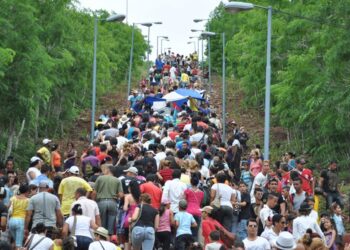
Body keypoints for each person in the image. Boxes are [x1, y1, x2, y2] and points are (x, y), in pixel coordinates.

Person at [93, 164, 123, 236]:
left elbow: (94, 192)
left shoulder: (100, 178)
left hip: (101, 202)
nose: (103, 171)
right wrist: (115, 195)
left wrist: (93, 201)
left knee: (102, 225)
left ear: (108, 170)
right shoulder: (117, 180)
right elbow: (121, 195)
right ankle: (109, 242)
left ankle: (102, 242)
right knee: (110, 227)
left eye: (105, 169)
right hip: (112, 202)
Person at [8, 183, 29, 249]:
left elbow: (8, 209)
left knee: (15, 241)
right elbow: (28, 214)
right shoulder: (28, 200)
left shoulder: (12, 198)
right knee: (19, 245)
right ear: (26, 191)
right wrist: (26, 227)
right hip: (21, 221)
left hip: (11, 221)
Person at [184, 174, 203, 241]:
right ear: (198, 182)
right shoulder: (201, 193)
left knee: (187, 230)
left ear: (190, 182)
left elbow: (184, 201)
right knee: (195, 232)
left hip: (188, 211)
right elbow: (200, 203)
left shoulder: (187, 191)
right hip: (198, 212)